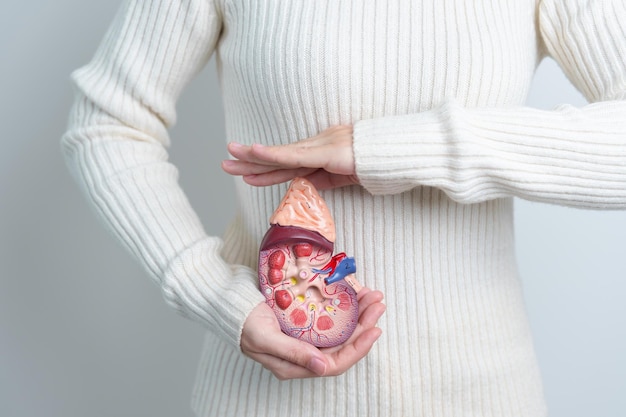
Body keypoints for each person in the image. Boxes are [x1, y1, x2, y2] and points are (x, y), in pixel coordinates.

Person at [61, 0, 626, 416]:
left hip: (482, 392)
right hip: (264, 398)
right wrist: (210, 292)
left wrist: (385, 149)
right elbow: (108, 123)